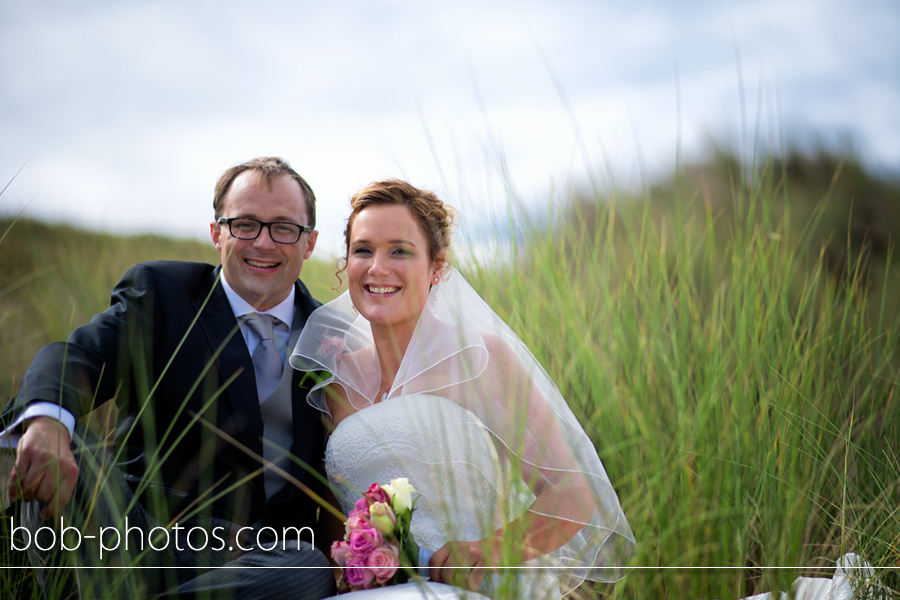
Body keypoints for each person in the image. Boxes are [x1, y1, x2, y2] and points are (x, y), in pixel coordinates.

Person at [1, 157, 336, 599]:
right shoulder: (162, 293)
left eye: (284, 228)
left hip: (257, 560)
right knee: (66, 438)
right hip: (136, 534)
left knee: (310, 567)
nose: (264, 242)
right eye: (245, 224)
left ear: (309, 242)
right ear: (217, 233)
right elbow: (75, 356)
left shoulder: (334, 336)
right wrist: (46, 424)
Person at [290, 180, 635, 599]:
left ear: (437, 266)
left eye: (399, 250)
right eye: (363, 250)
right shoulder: (337, 380)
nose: (377, 266)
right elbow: (339, 514)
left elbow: (573, 496)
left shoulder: (481, 360)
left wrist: (483, 551)